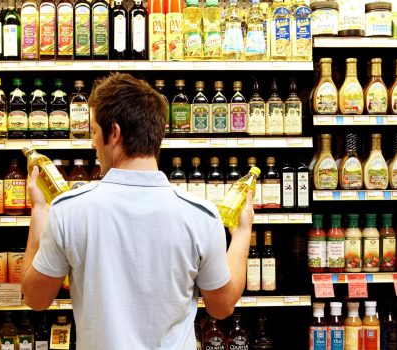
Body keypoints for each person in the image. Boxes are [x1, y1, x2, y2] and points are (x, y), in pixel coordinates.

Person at [21, 73, 253, 349]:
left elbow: (35, 298)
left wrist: (39, 211)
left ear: (115, 133)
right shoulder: (200, 216)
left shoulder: (70, 210)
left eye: (95, 132)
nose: (93, 143)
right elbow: (222, 306)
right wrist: (242, 233)